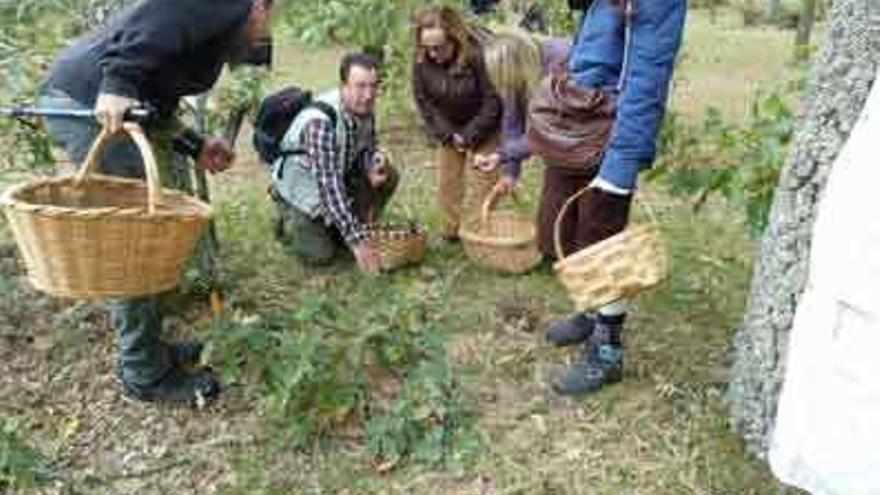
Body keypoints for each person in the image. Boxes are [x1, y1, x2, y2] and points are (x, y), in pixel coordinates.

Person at [36, 0, 275, 404]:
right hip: (88, 102)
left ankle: (150, 350)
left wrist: (195, 145)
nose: (264, 35)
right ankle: (143, 373)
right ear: (259, 8)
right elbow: (159, 14)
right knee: (132, 237)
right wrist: (117, 83)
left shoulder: (215, 26)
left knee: (141, 231)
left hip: (91, 97)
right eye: (269, 21)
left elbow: (155, 98)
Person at [540, 0, 686, 396]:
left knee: (603, 240)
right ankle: (589, 312)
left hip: (612, 130)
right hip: (578, 118)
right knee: (568, 230)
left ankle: (607, 352)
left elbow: (648, 77)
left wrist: (620, 164)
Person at [270, 52, 397, 275]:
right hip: (305, 190)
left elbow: (367, 144)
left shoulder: (364, 107)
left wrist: (371, 163)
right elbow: (329, 187)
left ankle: (351, 226)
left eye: (374, 86)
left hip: (338, 173)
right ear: (343, 86)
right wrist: (358, 244)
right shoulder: (319, 123)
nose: (369, 95)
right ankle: (286, 219)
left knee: (389, 175)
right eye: (360, 86)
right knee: (321, 256)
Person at [411, 5, 502, 242]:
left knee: (485, 183)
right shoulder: (421, 59)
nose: (432, 53)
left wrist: (469, 134)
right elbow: (425, 102)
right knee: (448, 184)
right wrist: (449, 134)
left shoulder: (478, 55)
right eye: (427, 47)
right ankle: (451, 233)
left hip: (484, 124)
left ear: (454, 38)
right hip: (448, 127)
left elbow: (493, 101)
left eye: (438, 47)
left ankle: (480, 231)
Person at [474, 28, 570, 197]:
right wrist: (509, 173)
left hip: (592, 142)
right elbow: (512, 121)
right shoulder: (515, 67)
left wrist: (501, 154)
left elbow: (550, 132)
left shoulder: (561, 63)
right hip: (563, 150)